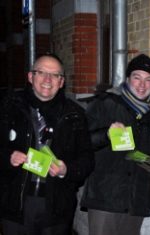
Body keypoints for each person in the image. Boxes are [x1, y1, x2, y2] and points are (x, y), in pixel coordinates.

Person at [80, 54, 150, 235]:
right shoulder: (105, 103)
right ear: (127, 78)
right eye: (137, 77)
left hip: (137, 200)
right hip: (104, 198)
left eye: (148, 80)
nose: (142, 85)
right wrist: (106, 134)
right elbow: (81, 142)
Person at [0, 54, 94, 234]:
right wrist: (8, 156)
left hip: (57, 206)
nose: (47, 80)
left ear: (61, 82)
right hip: (15, 203)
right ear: (30, 76)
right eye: (41, 72)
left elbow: (87, 160)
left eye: (55, 75)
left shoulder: (75, 115)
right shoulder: (9, 107)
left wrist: (66, 170)